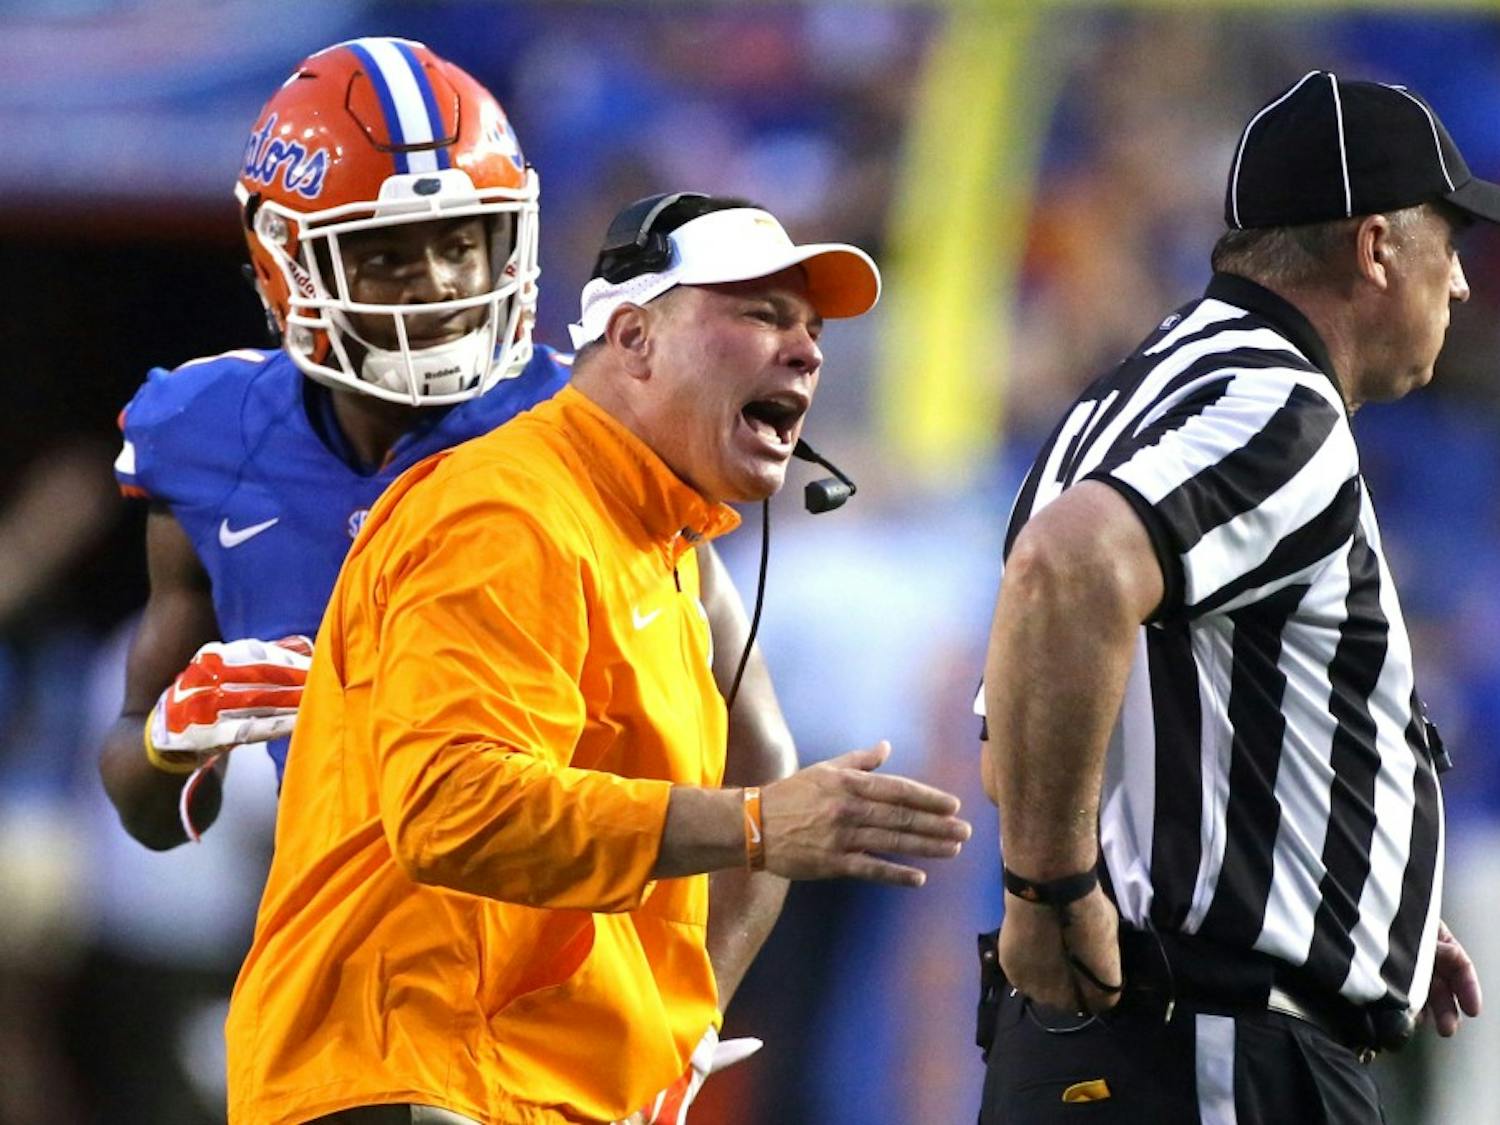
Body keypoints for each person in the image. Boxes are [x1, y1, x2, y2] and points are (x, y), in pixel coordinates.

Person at [95, 40, 805, 1122]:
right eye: (391, 255)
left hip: (542, 1013)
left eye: (465, 246)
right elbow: (147, 812)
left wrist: (683, 1023)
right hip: (343, 997)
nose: (437, 286)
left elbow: (760, 761)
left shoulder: (583, 435)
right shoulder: (205, 440)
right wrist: (166, 744)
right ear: (288, 266)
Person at [222, 193, 971, 1125]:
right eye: (761, 314)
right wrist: (753, 824)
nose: (808, 350)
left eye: (812, 328)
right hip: (420, 1079)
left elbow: (764, 761)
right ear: (634, 337)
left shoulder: (660, 545)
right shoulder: (507, 511)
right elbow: (454, 809)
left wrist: (680, 1037)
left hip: (533, 1090)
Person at [976, 71, 1494, 1123]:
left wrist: (1351, 893)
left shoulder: (1120, 402)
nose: (1464, 286)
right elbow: (1070, 567)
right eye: (1450, 242)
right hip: (1208, 1044)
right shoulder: (1277, 401)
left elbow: (1021, 737)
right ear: (1377, 246)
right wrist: (1049, 889)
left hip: (1115, 1041)